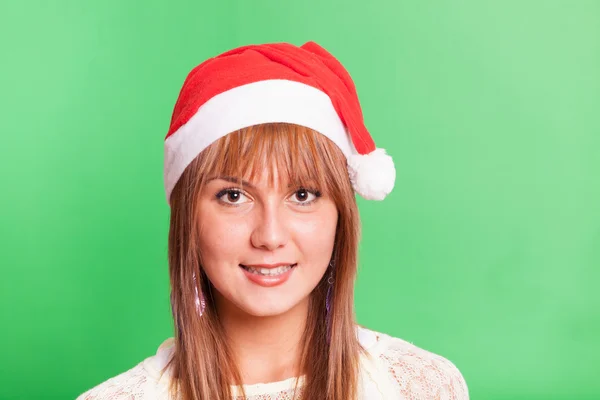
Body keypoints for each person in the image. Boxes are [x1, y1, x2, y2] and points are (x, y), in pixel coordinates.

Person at [77, 41, 469, 400]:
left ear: (341, 216)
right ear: (188, 220)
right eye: (234, 196)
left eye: (302, 195)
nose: (269, 235)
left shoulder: (422, 387)